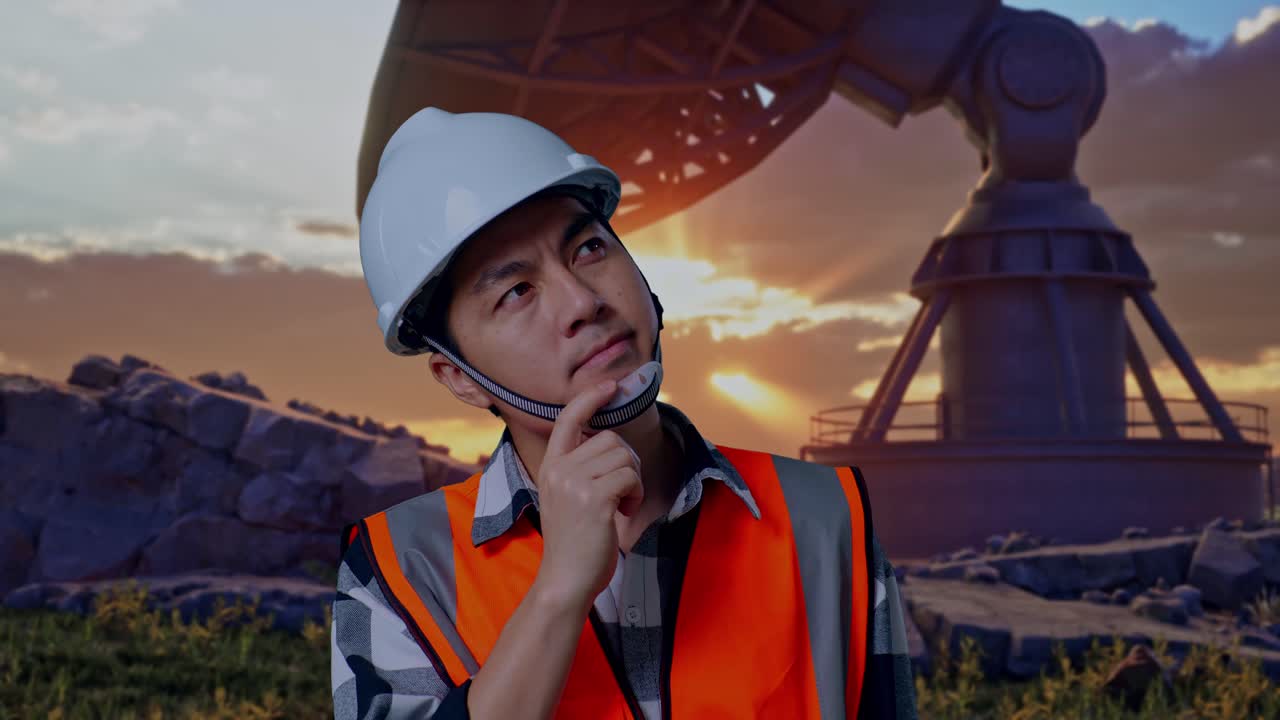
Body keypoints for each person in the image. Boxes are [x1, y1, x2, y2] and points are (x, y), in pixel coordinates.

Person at [331, 107, 919, 719]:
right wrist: (559, 592)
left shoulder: (824, 515)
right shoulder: (400, 566)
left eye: (589, 248)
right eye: (517, 291)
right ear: (458, 376)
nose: (583, 302)